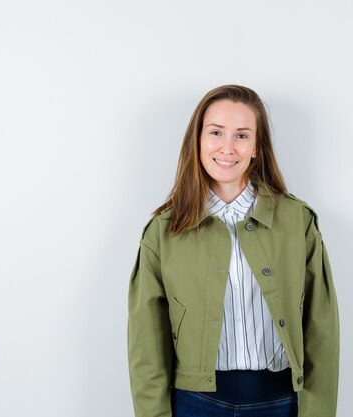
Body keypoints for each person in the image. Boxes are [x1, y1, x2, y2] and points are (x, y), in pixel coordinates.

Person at [127, 84, 339, 417]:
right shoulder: (163, 232)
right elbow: (146, 347)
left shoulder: (297, 221)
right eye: (216, 132)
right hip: (194, 405)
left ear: (257, 147)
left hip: (282, 402)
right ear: (198, 140)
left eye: (242, 135)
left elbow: (321, 329)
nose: (227, 147)